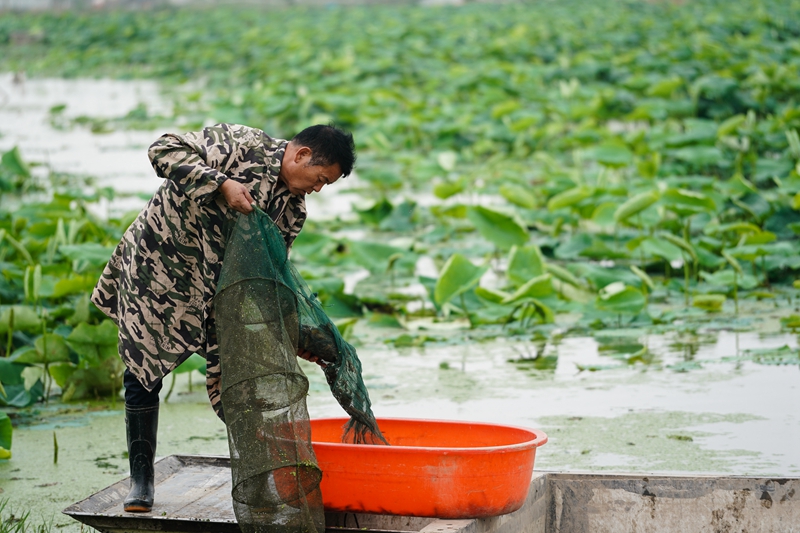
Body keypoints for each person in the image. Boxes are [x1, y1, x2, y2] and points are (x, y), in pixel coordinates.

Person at [90, 123, 356, 513]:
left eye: (325, 186)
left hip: (215, 292)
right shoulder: (238, 144)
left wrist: (297, 338)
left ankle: (262, 477)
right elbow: (163, 149)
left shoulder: (292, 212)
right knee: (142, 368)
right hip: (160, 270)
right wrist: (221, 185)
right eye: (320, 179)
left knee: (240, 378)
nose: (317, 190)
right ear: (300, 155)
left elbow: (268, 276)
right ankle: (141, 481)